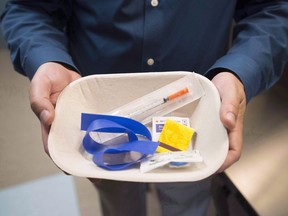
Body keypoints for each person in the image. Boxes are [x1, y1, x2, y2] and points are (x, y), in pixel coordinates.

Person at [1, 1, 288, 215]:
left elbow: (272, 10)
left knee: (187, 198)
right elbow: (28, 7)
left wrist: (240, 72)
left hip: (196, 119)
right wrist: (47, 58)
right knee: (118, 200)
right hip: (102, 123)